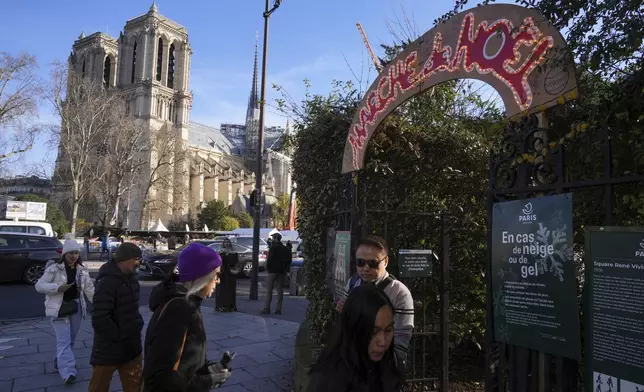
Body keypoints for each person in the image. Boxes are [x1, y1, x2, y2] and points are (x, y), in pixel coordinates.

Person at [143, 243, 232, 391]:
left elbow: (185, 362)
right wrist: (207, 381)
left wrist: (209, 369)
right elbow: (160, 377)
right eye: (216, 275)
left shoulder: (188, 303)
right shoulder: (179, 310)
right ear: (202, 277)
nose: (218, 281)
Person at [337, 235, 414, 373]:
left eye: (373, 263)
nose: (365, 268)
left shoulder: (399, 293)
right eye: (360, 262)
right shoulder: (353, 283)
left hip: (382, 368)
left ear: (385, 262)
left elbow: (401, 340)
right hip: (351, 364)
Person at [307, 284, 404, 392]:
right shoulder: (328, 378)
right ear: (353, 328)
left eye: (388, 330)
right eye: (373, 332)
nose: (382, 342)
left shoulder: (392, 362)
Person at [35, 233, 95, 385]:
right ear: (64, 254)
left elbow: (89, 289)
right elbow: (39, 286)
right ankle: (68, 372)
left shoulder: (82, 269)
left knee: (71, 340)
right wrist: (57, 287)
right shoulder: (54, 269)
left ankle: (59, 361)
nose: (73, 256)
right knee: (63, 341)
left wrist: (97, 303)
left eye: (76, 253)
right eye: (70, 253)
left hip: (76, 307)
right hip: (58, 308)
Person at [89, 242, 144, 392]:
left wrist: (137, 324)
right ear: (125, 259)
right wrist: (118, 337)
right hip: (109, 348)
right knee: (99, 386)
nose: (139, 263)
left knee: (135, 386)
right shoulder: (107, 281)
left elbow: (133, 308)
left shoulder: (131, 278)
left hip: (131, 347)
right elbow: (100, 317)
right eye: (136, 259)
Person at [260, 233, 292, 315]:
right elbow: (289, 259)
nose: (272, 239)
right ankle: (278, 309)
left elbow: (270, 259)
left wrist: (267, 267)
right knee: (280, 290)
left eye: (273, 238)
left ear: (275, 238)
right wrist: (284, 267)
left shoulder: (273, 247)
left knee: (269, 290)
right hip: (281, 271)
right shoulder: (284, 248)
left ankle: (267, 308)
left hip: (272, 271)